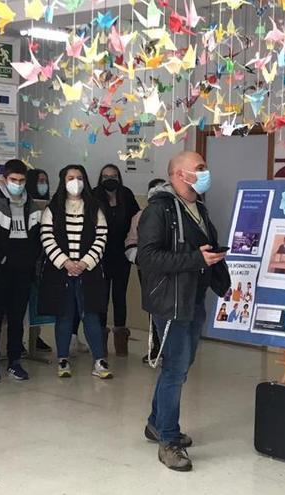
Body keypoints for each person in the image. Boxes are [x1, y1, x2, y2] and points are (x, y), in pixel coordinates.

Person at [138, 151, 230, 471]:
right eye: (200, 169)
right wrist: (195, 260)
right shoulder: (158, 210)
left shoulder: (198, 208)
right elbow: (147, 258)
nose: (206, 173)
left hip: (194, 299)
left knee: (180, 367)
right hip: (171, 303)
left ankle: (155, 422)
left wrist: (223, 281)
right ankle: (169, 439)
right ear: (179, 175)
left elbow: (204, 252)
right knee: (175, 370)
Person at [38, 164, 113, 380]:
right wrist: (65, 262)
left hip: (88, 272)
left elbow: (101, 238)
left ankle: (99, 360)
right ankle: (63, 359)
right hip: (60, 272)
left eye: (79, 177)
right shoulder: (53, 208)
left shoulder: (94, 207)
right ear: (63, 180)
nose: (75, 181)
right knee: (64, 315)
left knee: (90, 315)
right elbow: (47, 238)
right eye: (71, 177)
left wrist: (85, 262)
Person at [0, 159, 41, 382]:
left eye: (22, 181)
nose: (18, 184)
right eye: (14, 180)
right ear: (4, 179)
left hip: (23, 271)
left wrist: (32, 262)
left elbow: (37, 239)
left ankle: (14, 361)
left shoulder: (32, 206)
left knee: (17, 318)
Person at [93, 164, 141, 357]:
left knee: (120, 297)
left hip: (121, 256)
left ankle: (121, 341)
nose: (109, 179)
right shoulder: (95, 195)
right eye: (105, 176)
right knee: (102, 298)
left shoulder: (126, 195)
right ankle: (101, 342)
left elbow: (137, 220)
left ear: (119, 177)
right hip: (100, 256)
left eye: (113, 176)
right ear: (100, 178)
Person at [125, 178, 166, 364]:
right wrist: (141, 260)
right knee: (153, 309)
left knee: (169, 308)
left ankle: (169, 347)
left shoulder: (173, 215)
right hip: (148, 271)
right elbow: (131, 243)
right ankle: (155, 347)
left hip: (171, 270)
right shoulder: (139, 217)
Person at [25, 168, 54, 353]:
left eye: (45, 181)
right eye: (39, 181)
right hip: (28, 257)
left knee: (38, 302)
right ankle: (22, 340)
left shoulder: (50, 204)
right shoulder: (25, 204)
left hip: (44, 258)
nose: (42, 184)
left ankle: (36, 338)